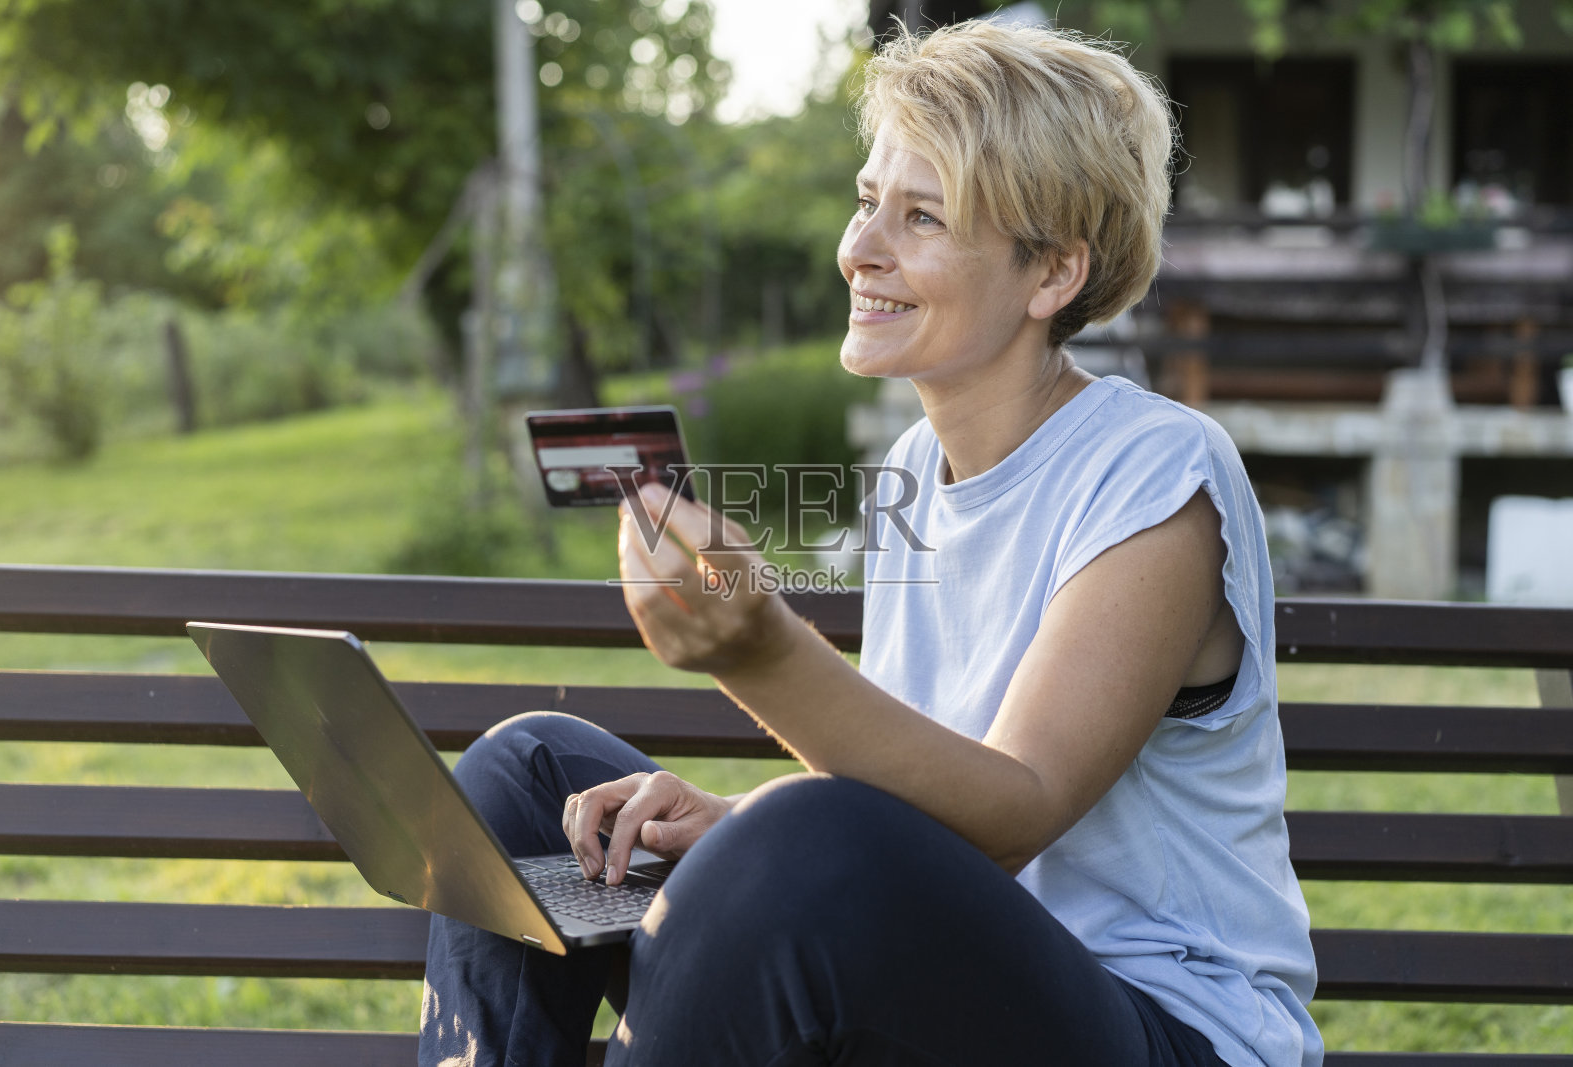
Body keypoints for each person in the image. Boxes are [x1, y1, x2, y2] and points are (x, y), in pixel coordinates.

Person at [420, 19, 1321, 1067]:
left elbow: (1012, 810)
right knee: (526, 777)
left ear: (1052, 274)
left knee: (801, 839)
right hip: (935, 985)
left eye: (922, 217)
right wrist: (733, 821)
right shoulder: (909, 465)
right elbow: (915, 804)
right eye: (865, 201)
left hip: (1161, 1031)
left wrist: (758, 651)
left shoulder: (1157, 473)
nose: (860, 249)